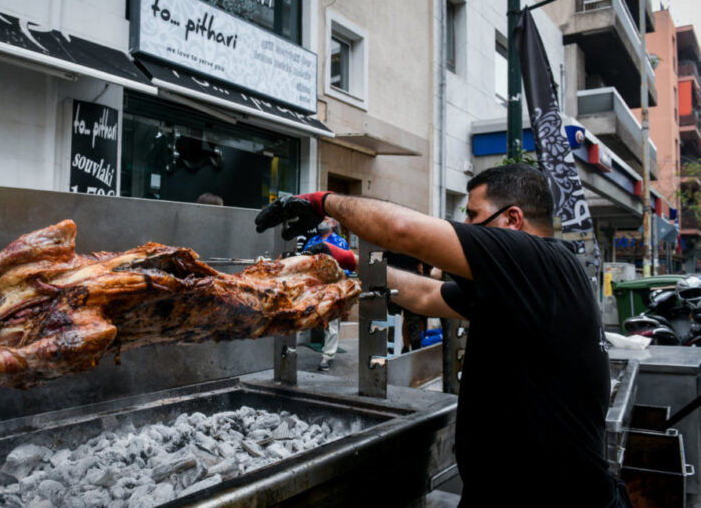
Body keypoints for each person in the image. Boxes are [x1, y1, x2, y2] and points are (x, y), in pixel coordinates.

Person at [255, 164, 628, 507]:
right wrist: (350, 262)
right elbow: (425, 295)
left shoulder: (540, 261)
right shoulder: (522, 285)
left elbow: (403, 231)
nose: (467, 224)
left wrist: (323, 202)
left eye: (473, 216)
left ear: (513, 219)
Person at [303, 218, 353, 371]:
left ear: (333, 223)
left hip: (332, 284)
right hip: (313, 286)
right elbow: (303, 259)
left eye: (325, 219)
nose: (321, 221)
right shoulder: (313, 240)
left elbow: (347, 266)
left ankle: (328, 356)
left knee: (331, 322)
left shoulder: (340, 242)